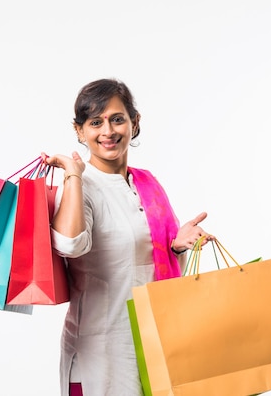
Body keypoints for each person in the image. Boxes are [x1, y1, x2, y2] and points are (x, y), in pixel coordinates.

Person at [43, 78, 213, 396]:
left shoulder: (147, 183)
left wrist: (176, 246)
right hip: (102, 348)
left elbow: (147, 259)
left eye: (117, 119)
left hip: (154, 340)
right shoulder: (82, 185)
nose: (108, 131)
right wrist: (73, 175)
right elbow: (69, 244)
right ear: (80, 131)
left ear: (134, 123)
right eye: (96, 122)